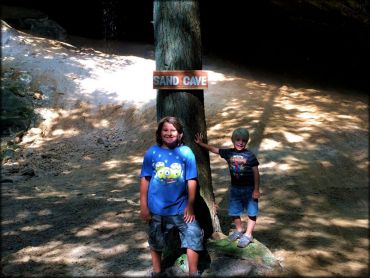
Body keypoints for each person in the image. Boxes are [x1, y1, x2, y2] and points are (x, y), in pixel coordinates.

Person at [140, 116, 203, 277]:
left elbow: (191, 180)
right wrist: (143, 205)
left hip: (182, 208)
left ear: (180, 134)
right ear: (160, 133)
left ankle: (193, 272)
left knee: (193, 235)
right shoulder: (152, 152)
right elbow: (145, 179)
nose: (169, 133)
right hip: (157, 209)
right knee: (156, 240)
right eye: (165, 130)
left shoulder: (186, 152)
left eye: (173, 130)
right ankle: (157, 272)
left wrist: (190, 204)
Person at [195, 127, 260, 248]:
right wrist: (200, 143)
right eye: (238, 139)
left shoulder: (250, 155)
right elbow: (215, 150)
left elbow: (256, 172)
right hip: (235, 188)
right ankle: (239, 230)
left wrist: (256, 189)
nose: (240, 142)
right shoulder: (229, 153)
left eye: (244, 140)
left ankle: (249, 234)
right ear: (233, 140)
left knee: (252, 212)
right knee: (234, 210)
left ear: (246, 142)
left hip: (249, 188)